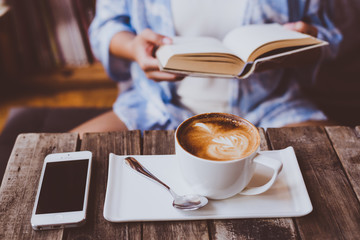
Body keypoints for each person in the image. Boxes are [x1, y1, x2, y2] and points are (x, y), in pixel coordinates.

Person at [71, 0, 342, 137]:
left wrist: (306, 39)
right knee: (63, 153)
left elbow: (332, 35)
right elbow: (106, 27)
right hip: (157, 106)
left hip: (272, 107)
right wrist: (133, 48)